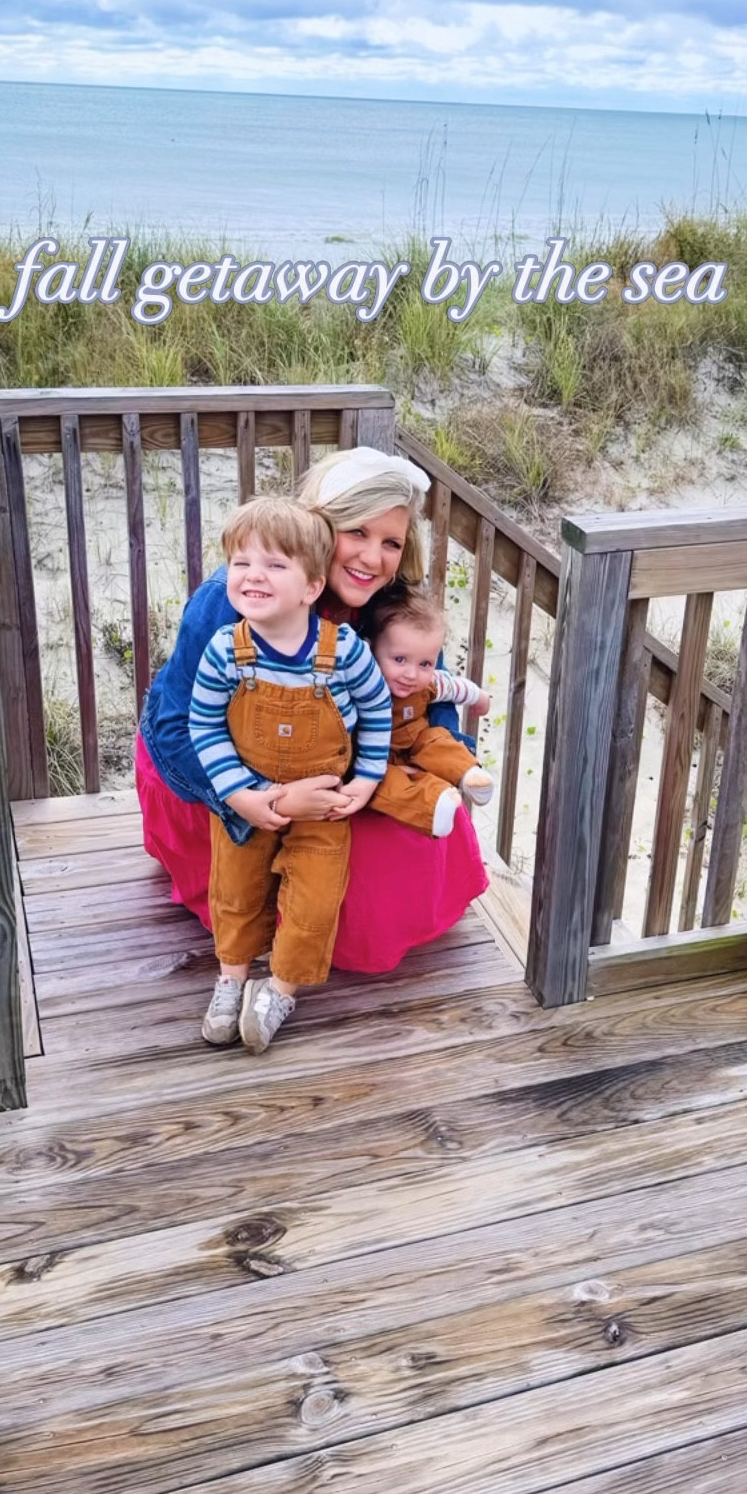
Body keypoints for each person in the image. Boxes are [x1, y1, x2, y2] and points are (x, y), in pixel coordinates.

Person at [136, 444, 489, 978]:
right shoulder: (236, 593)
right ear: (321, 525)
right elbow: (174, 728)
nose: (373, 558)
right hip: (217, 767)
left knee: (407, 841)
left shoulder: (392, 602)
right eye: (357, 532)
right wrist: (258, 799)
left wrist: (447, 762)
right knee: (324, 869)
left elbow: (425, 702)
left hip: (336, 761)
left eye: (391, 542)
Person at [189, 495, 391, 1053]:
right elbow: (203, 724)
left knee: (314, 903)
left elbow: (376, 714)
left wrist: (366, 780)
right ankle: (231, 977)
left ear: (310, 588)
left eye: (275, 565)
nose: (254, 575)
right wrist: (244, 796)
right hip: (247, 800)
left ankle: (279, 989)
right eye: (241, 563)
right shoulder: (223, 652)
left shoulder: (344, 652)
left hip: (324, 804)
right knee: (235, 891)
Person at [368, 588, 495, 837]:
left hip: (416, 742)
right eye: (400, 660)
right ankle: (434, 808)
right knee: (381, 784)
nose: (412, 674)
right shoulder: (365, 683)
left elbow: (455, 686)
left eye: (425, 663)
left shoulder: (429, 683)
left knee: (436, 738)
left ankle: (469, 774)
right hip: (378, 757)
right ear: (372, 651)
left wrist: (480, 698)